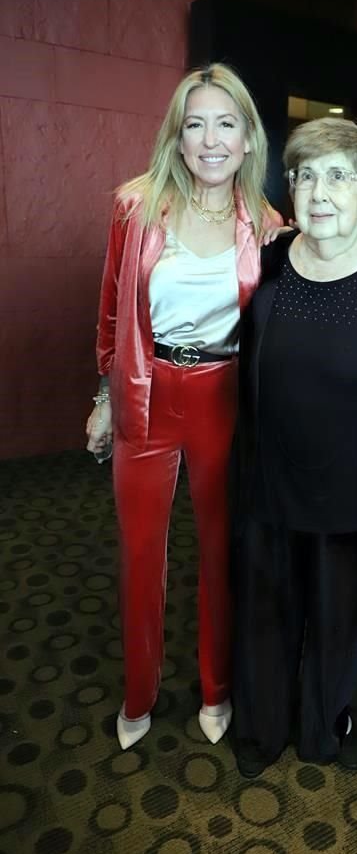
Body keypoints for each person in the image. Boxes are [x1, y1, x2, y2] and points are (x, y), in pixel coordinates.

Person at [85, 64, 281, 750]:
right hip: (148, 391)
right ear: (176, 137)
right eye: (194, 123)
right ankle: (138, 692)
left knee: (222, 553)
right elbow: (113, 310)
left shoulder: (267, 223)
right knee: (141, 552)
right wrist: (106, 396)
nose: (210, 139)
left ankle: (216, 685)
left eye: (226, 123)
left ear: (250, 140)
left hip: (225, 399)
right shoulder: (135, 208)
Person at [231, 117, 357, 778]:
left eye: (338, 176)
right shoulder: (262, 261)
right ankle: (262, 726)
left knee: (339, 617)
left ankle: (324, 724)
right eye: (304, 174)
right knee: (266, 612)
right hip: (269, 477)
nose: (318, 192)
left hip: (354, 486)